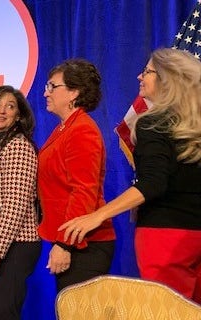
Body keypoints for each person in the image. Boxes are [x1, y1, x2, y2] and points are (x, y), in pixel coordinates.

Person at [59, 48, 201, 302]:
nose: (139, 76)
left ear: (167, 79)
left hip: (165, 238)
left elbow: (153, 183)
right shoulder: (193, 128)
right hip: (194, 236)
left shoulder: (152, 122)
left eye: (147, 71)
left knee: (166, 312)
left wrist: (97, 215)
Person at [37, 59, 116, 292]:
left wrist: (65, 244)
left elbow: (84, 190)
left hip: (86, 245)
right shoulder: (65, 127)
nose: (45, 93)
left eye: (52, 87)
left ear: (73, 92)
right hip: (73, 240)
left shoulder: (82, 130)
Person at [0, 85, 41, 319]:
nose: (2, 111)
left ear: (19, 116)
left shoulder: (19, 146)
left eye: (10, 106)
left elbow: (16, 203)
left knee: (2, 313)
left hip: (13, 245)